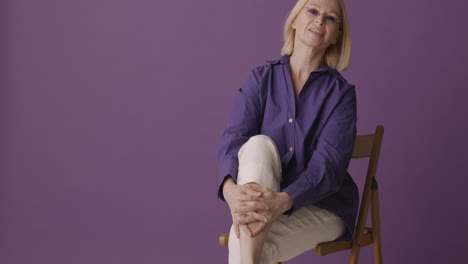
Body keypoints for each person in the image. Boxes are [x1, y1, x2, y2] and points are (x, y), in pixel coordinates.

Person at [215, 0, 359, 263]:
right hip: (263, 201)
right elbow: (233, 139)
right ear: (294, 20)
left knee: (247, 242)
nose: (319, 21)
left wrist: (282, 201)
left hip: (324, 206)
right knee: (257, 144)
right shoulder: (261, 79)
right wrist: (230, 191)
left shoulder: (341, 95)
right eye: (313, 11)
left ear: (336, 36)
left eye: (330, 18)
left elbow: (328, 166)